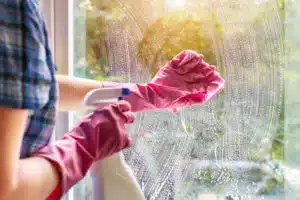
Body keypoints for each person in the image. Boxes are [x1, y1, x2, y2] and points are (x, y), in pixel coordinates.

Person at [0, 1, 224, 200]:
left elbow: (33, 88)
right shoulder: (12, 9)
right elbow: (5, 190)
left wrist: (148, 94)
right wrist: (84, 144)